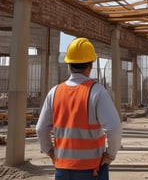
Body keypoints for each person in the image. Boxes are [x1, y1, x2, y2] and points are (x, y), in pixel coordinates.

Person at [36, 37, 122, 180]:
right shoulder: (98, 92)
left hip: (62, 168)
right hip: (92, 170)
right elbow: (114, 128)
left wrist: (50, 152)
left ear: (69, 64)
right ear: (91, 65)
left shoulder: (54, 92)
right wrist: (110, 155)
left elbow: (40, 128)